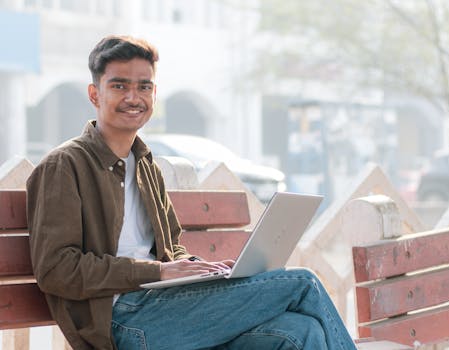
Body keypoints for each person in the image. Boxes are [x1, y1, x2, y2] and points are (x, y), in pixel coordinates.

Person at [26, 35, 358, 350]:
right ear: (95, 94)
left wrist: (201, 270)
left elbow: (171, 250)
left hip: (169, 308)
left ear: (155, 94)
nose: (133, 97)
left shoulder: (145, 165)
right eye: (119, 85)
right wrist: (156, 272)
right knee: (303, 283)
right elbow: (56, 270)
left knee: (302, 332)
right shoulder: (64, 166)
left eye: (144, 86)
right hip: (122, 322)